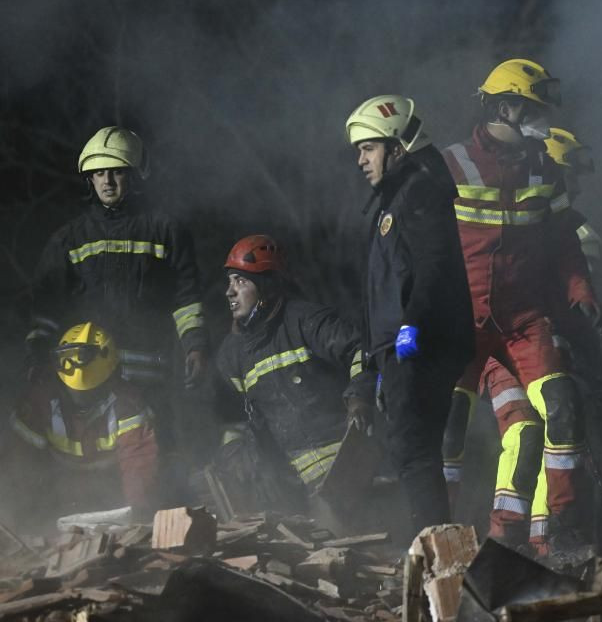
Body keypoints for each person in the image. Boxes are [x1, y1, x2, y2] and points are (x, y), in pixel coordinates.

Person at [438, 62, 602, 563]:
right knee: (448, 427)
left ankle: (557, 535)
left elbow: (563, 245)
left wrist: (581, 290)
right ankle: (435, 534)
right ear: (504, 106)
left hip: (522, 321)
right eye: (533, 107)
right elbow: (417, 246)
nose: (543, 118)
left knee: (562, 406)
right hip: (460, 318)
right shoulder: (450, 165)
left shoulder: (545, 171)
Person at [27, 127, 208, 443]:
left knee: (153, 454)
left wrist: (195, 345)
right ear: (89, 180)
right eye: (98, 173)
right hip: (87, 376)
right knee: (94, 456)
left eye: (117, 172)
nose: (107, 181)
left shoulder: (165, 231)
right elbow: (46, 307)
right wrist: (37, 355)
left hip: (149, 373)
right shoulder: (70, 239)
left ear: (136, 176)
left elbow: (186, 297)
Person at [348, 94, 475, 535]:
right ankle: (432, 544)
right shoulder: (399, 194)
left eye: (369, 148)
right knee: (411, 448)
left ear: (397, 145)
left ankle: (434, 547)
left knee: (413, 447)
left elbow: (434, 263)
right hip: (403, 345)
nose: (361, 160)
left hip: (421, 342)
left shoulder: (418, 190)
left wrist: (411, 325)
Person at [212, 235, 375, 502]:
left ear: (265, 285)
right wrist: (235, 458)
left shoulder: (305, 322)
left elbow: (361, 350)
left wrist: (359, 397)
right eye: (229, 282)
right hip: (293, 493)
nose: (229, 291)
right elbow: (235, 418)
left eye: (241, 281)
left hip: (351, 472)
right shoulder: (231, 356)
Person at [1, 322, 161, 525]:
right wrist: (23, 515)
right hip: (59, 491)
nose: (80, 401)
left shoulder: (128, 404)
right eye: (74, 393)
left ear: (110, 379)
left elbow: (138, 462)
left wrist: (139, 510)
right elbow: (20, 463)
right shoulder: (39, 401)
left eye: (89, 392)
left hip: (114, 489)